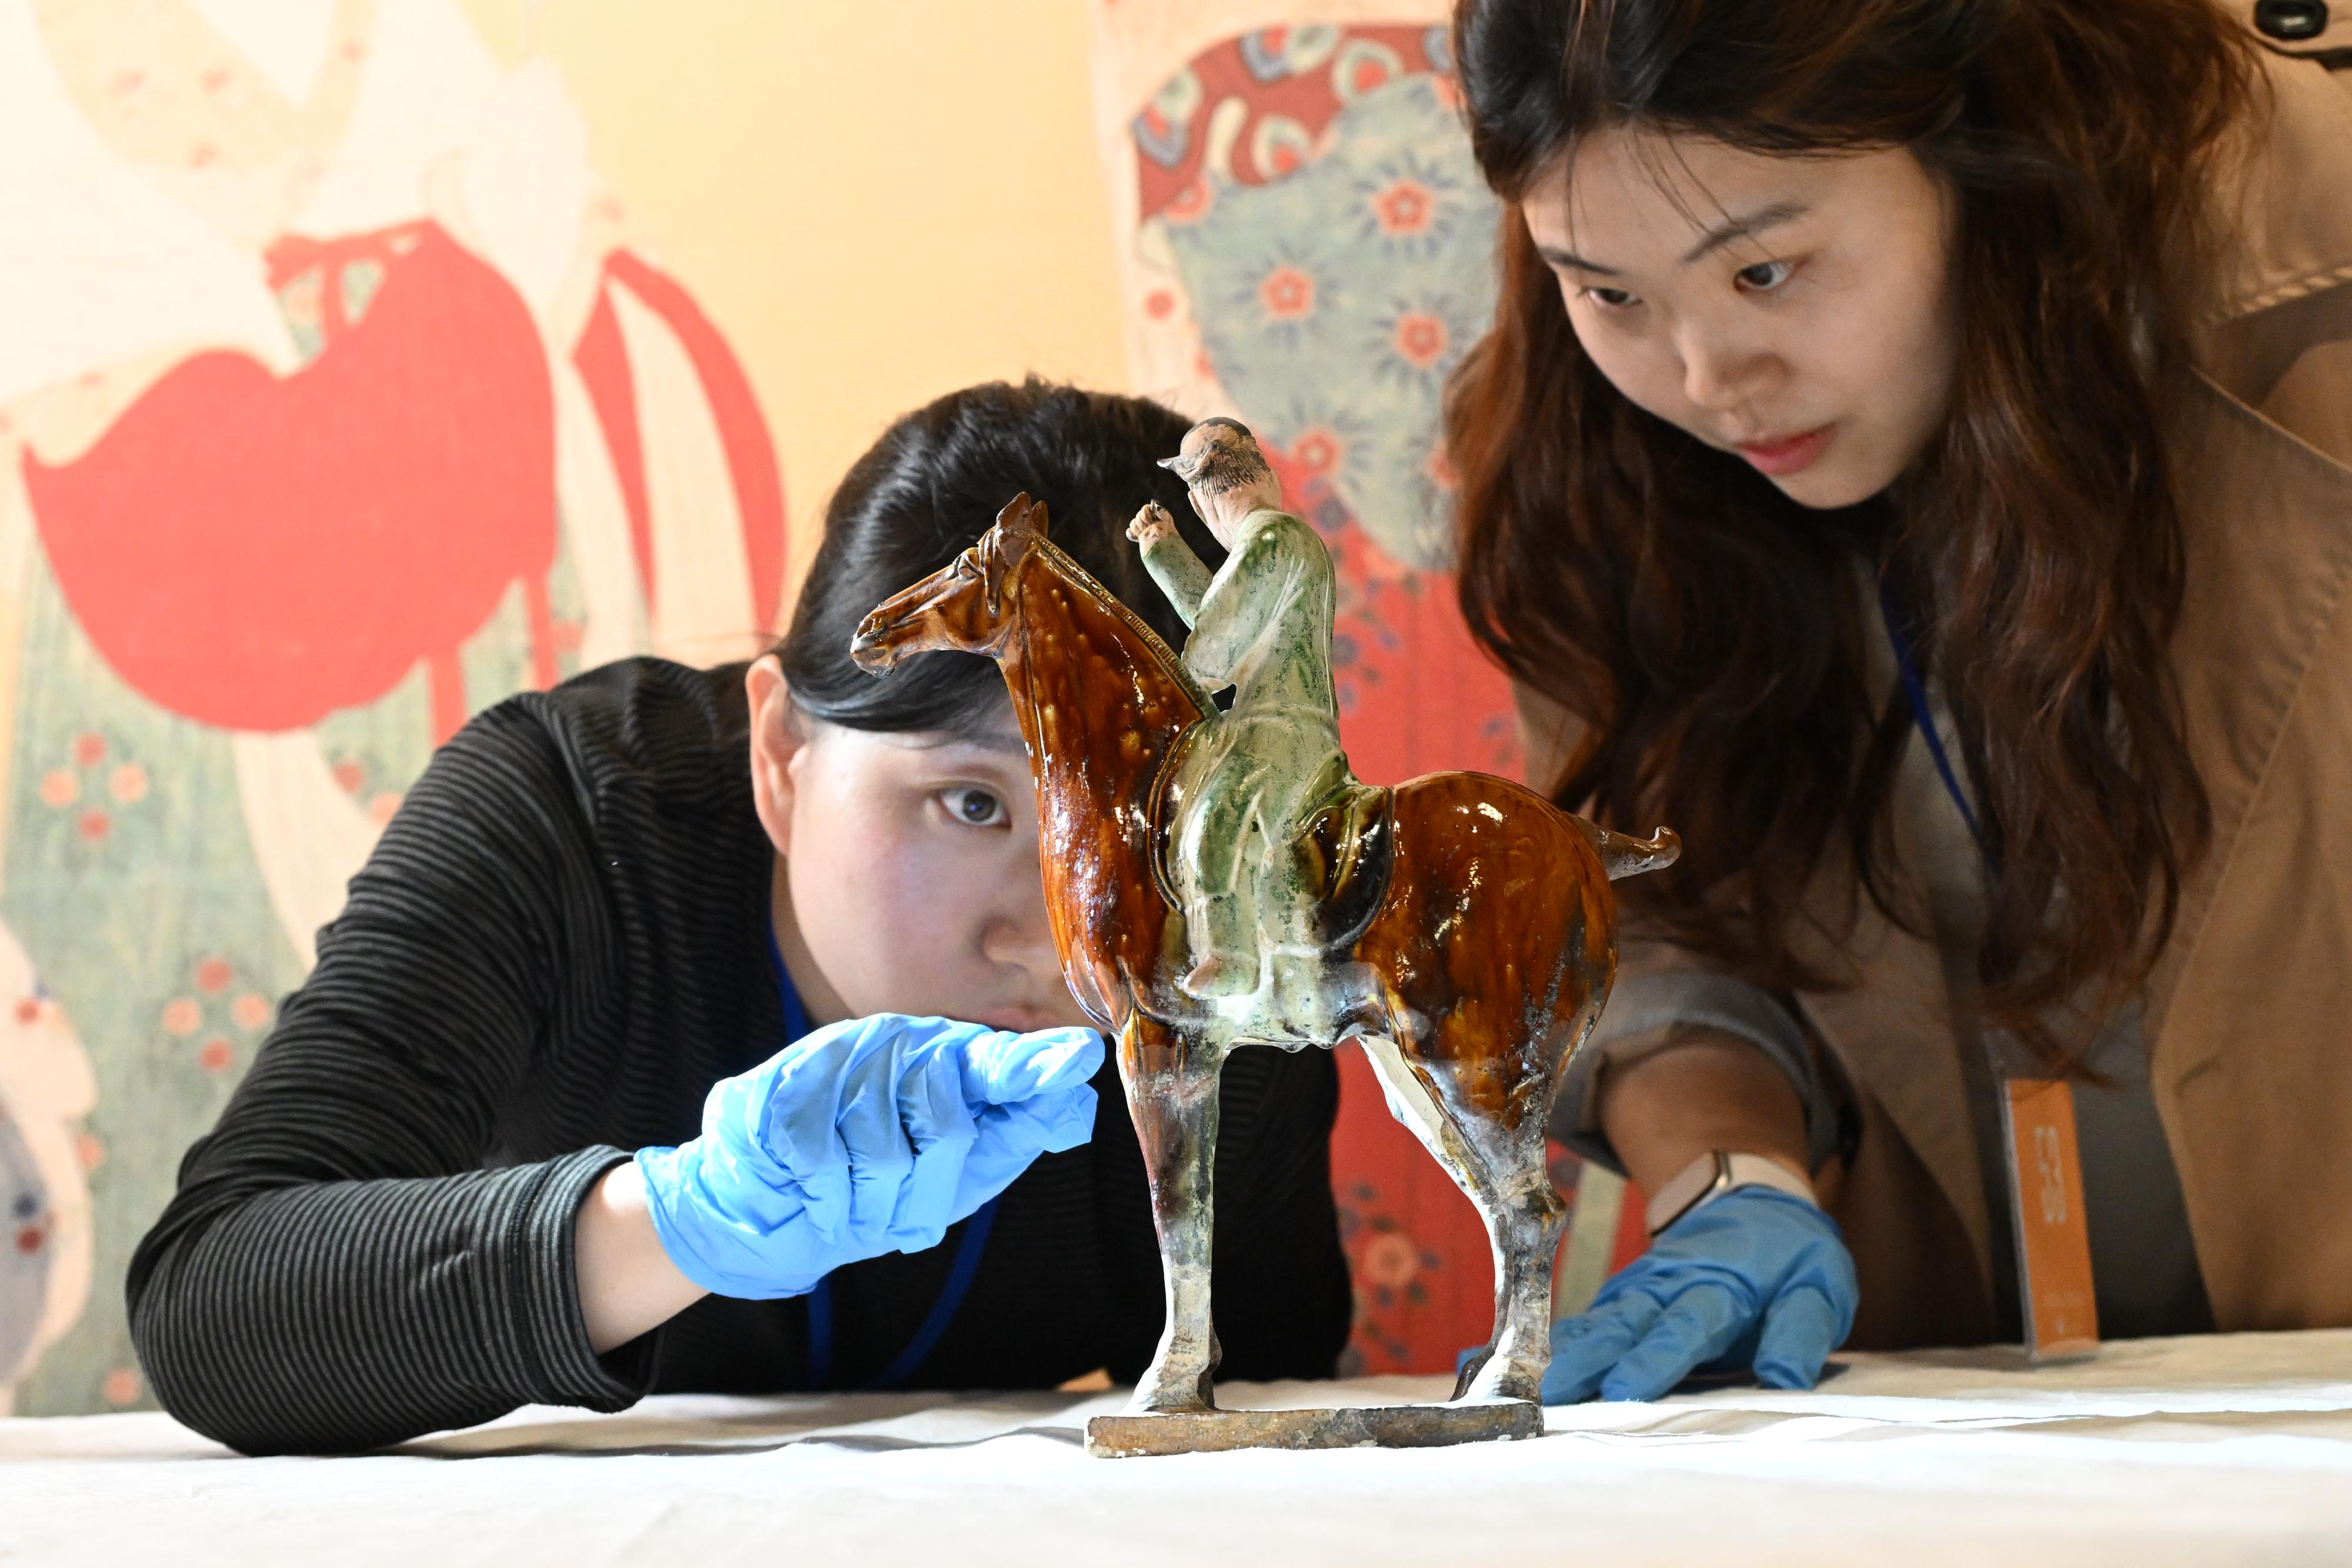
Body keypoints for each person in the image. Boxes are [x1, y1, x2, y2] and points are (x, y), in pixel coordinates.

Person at [126, 380, 1352, 1455]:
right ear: (779, 748)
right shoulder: (565, 818)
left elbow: (1262, 1402)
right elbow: (213, 1296)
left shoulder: (1210, 939)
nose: (1053, 932)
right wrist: (672, 1218)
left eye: (1146, 819)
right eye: (972, 802)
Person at [1445, 0, 2352, 1402]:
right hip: (1981, 1409)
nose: (1704, 381)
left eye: (1762, 273)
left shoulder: (2312, 329)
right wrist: (1731, 1179)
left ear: (1979, 138)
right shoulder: (1599, 471)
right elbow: (1658, 912)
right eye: (1608, 291)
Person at [1125, 419, 1351, 1001]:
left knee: (1207, 828)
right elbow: (1230, 625)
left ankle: (1232, 958)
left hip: (1277, 728)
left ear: (1201, 498)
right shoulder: (1276, 542)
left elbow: (1214, 657)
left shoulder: (1270, 543)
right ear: (1266, 476)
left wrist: (1161, 684)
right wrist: (1164, 555)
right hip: (1283, 723)